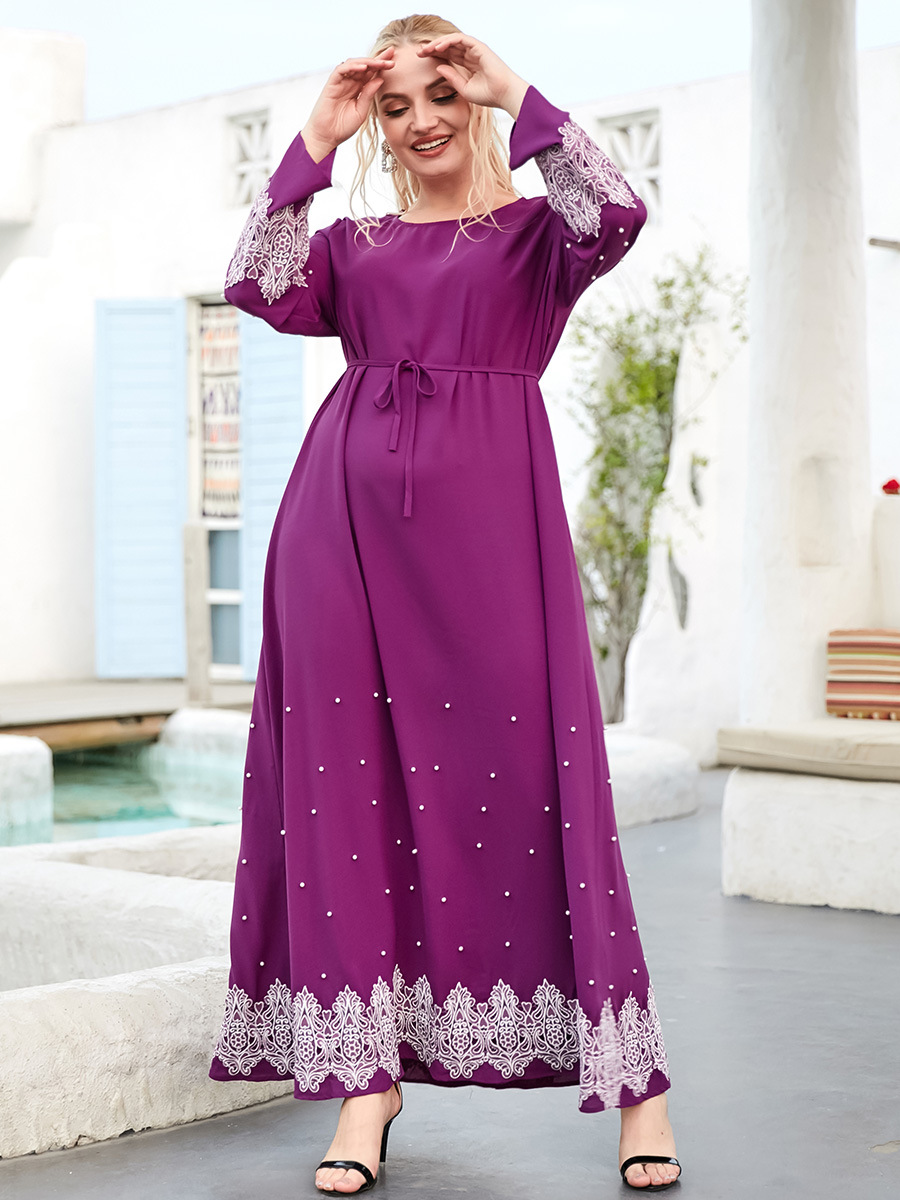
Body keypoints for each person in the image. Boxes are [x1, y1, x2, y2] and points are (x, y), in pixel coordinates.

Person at [208, 13, 682, 1195]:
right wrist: (317, 138)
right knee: (344, 798)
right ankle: (363, 1087)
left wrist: (510, 86)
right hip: (338, 542)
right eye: (397, 106)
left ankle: (637, 1083)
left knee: (536, 785)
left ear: (476, 106)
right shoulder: (353, 244)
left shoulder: (539, 238)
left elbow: (618, 212)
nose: (421, 121)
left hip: (491, 547)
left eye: (442, 96)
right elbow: (255, 281)